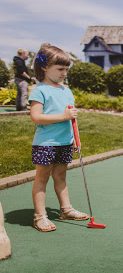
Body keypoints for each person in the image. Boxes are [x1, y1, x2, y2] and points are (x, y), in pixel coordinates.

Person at [29, 43, 89, 232]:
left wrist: (75, 140)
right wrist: (63, 116)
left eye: (66, 69)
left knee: (61, 176)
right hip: (46, 143)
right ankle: (40, 216)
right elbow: (36, 117)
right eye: (60, 69)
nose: (64, 73)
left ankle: (66, 209)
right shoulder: (40, 90)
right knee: (42, 178)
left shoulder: (66, 91)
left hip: (64, 142)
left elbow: (72, 119)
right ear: (44, 67)